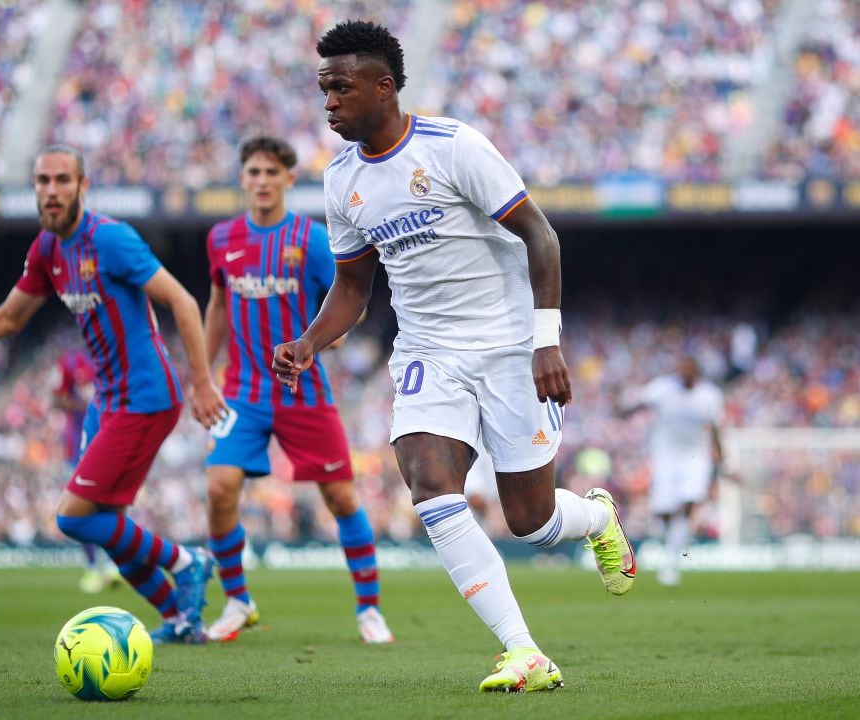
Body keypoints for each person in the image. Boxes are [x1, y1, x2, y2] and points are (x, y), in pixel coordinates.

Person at [273, 21, 636, 692]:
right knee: (431, 484)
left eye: (340, 88)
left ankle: (596, 516)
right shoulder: (341, 179)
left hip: (508, 349)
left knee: (529, 521)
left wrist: (545, 341)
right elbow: (352, 286)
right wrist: (307, 342)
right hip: (428, 354)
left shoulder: (454, 147)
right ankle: (523, 649)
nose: (328, 102)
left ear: (384, 88)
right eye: (323, 89)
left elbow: (541, 237)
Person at [0, 143, 227, 644]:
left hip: (146, 397)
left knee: (72, 517)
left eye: (63, 180)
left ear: (83, 187)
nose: (52, 190)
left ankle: (188, 561)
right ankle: (182, 619)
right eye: (43, 181)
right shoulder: (46, 249)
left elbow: (183, 302)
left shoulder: (112, 240)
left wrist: (203, 383)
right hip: (106, 401)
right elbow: (9, 318)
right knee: (107, 524)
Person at [202, 135, 392, 644]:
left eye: (272, 172)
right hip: (241, 391)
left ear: (289, 179)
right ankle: (238, 601)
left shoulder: (310, 240)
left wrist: (315, 345)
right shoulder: (221, 239)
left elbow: (348, 305)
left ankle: (369, 608)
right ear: (242, 178)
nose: (262, 180)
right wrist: (201, 370)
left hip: (303, 393)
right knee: (219, 487)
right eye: (253, 172)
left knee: (340, 496)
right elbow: (219, 305)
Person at [616, 355, 725, 586]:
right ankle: (671, 545)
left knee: (687, 503)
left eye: (689, 369)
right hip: (666, 457)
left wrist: (723, 461)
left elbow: (715, 429)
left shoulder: (710, 395)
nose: (684, 374)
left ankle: (670, 563)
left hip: (695, 458)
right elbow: (639, 403)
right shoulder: (663, 388)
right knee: (664, 511)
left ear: (697, 372)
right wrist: (624, 410)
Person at [51, 347, 116, 594]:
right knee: (79, 505)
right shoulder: (69, 361)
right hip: (78, 442)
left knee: (107, 503)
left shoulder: (115, 352)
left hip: (110, 439)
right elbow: (56, 398)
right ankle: (92, 566)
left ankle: (111, 563)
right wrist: (81, 403)